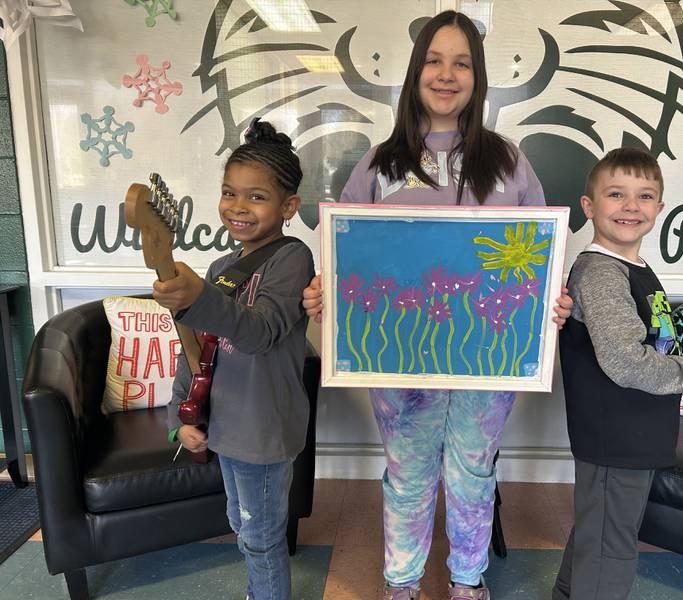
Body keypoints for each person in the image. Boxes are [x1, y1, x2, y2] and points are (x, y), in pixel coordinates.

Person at [303, 11, 572, 600]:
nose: (447, 75)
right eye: (434, 60)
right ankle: (401, 584)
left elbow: (539, 263)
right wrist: (325, 291)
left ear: (478, 79)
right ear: (414, 70)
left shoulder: (508, 163)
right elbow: (345, 259)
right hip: (402, 360)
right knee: (408, 475)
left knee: (473, 472)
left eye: (462, 63)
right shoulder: (380, 165)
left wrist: (551, 305)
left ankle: (467, 583)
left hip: (491, 355)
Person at [553, 147, 683, 599]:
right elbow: (624, 361)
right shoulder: (601, 273)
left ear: (659, 207)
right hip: (614, 436)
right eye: (616, 194)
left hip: (636, 434)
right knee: (610, 550)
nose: (631, 206)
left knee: (599, 534)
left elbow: (652, 342)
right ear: (589, 207)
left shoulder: (635, 269)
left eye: (644, 195)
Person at [152, 119, 314, 600]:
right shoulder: (221, 269)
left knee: (261, 537)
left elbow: (259, 332)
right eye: (229, 193)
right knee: (241, 524)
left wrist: (198, 295)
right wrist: (177, 414)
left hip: (263, 430)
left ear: (288, 206)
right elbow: (194, 348)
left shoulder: (292, 258)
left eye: (256, 197)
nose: (238, 207)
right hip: (225, 426)